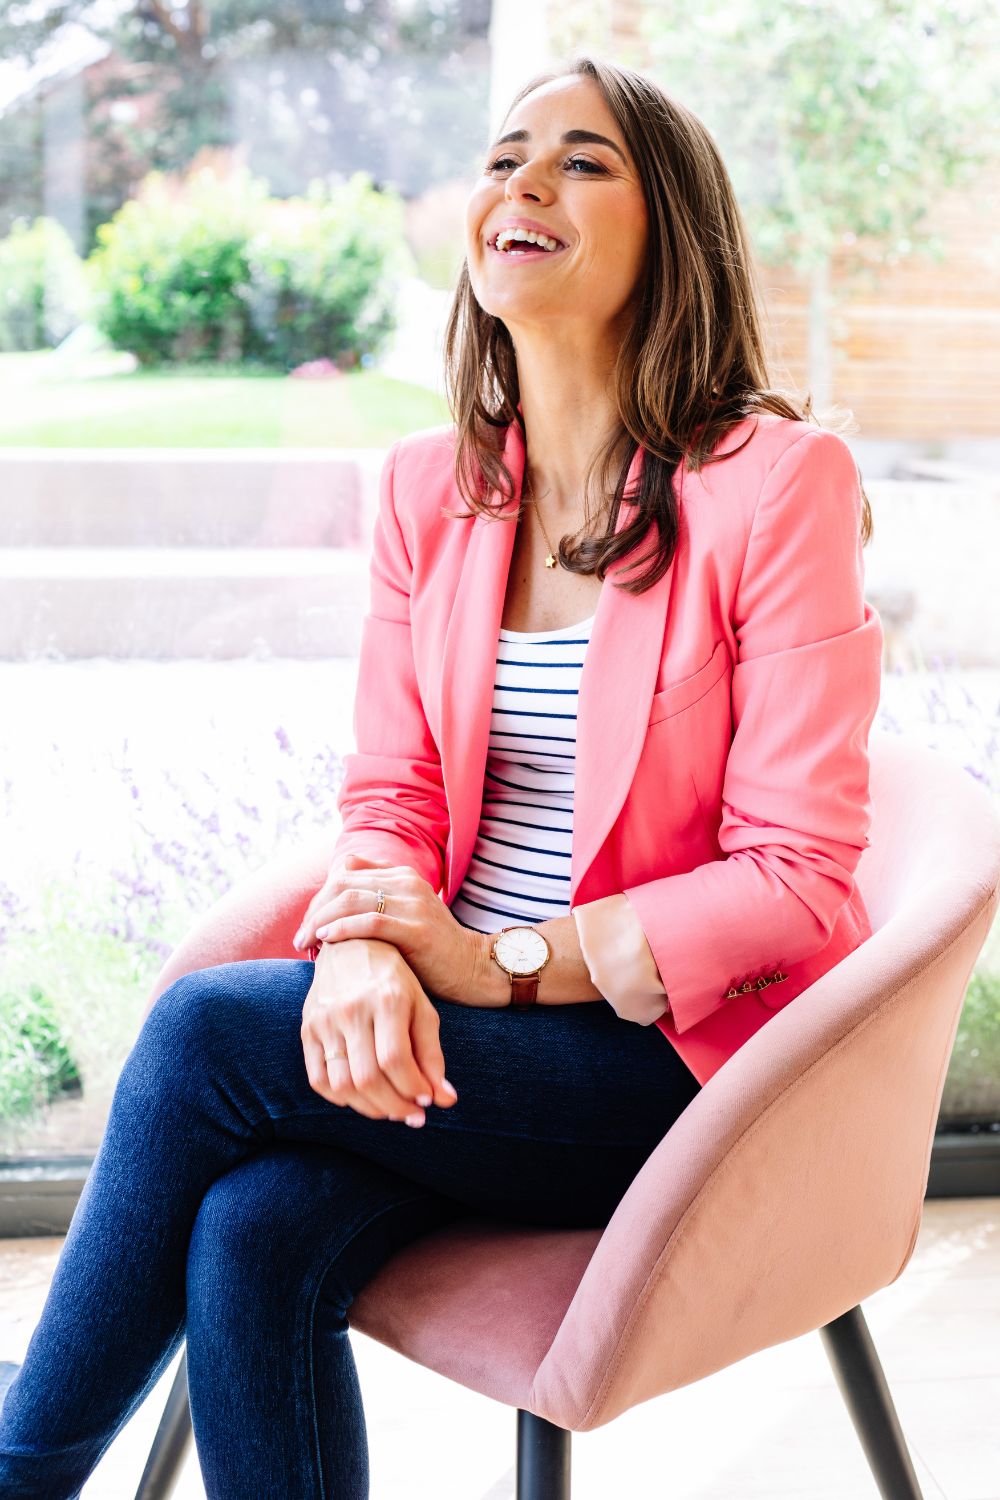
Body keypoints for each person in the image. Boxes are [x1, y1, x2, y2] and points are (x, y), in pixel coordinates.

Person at [0, 53, 882, 1499]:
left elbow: (797, 879)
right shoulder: (434, 487)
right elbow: (394, 790)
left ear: (675, 232)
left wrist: (496, 964)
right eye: (503, 156)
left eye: (583, 161)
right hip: (461, 1032)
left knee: (214, 1033)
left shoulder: (773, 487)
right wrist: (364, 954)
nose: (523, 184)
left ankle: (23, 1464)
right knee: (252, 1230)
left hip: (673, 1060)